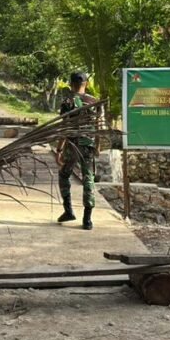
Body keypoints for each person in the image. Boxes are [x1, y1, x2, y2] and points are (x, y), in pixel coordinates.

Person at [55, 72, 99, 230]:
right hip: (89, 144)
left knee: (64, 174)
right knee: (88, 178)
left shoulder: (67, 101)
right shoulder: (94, 102)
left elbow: (64, 127)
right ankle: (87, 220)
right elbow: (98, 126)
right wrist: (98, 145)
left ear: (71, 84)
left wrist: (59, 149)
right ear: (86, 84)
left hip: (72, 145)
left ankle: (68, 211)